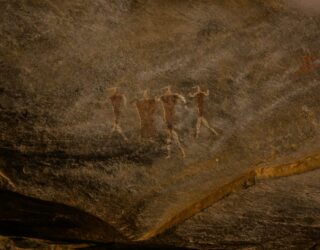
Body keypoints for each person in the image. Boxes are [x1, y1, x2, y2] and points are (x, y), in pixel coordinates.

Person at [158, 86, 186, 158]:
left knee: (171, 137)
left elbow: (180, 97)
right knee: (170, 137)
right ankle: (175, 153)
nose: (167, 92)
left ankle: (179, 152)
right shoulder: (164, 99)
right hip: (168, 121)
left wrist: (182, 99)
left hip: (170, 121)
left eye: (168, 91)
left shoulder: (172, 99)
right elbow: (158, 99)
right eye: (167, 91)